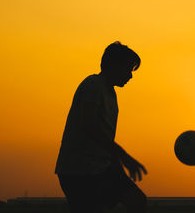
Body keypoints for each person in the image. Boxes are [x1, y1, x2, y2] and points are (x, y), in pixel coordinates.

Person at [55, 42, 148, 213]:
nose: (130, 76)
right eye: (128, 69)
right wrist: (124, 156)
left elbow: (104, 138)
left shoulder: (110, 93)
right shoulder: (93, 85)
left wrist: (118, 168)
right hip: (78, 170)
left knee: (137, 201)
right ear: (114, 65)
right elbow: (89, 125)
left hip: (101, 167)